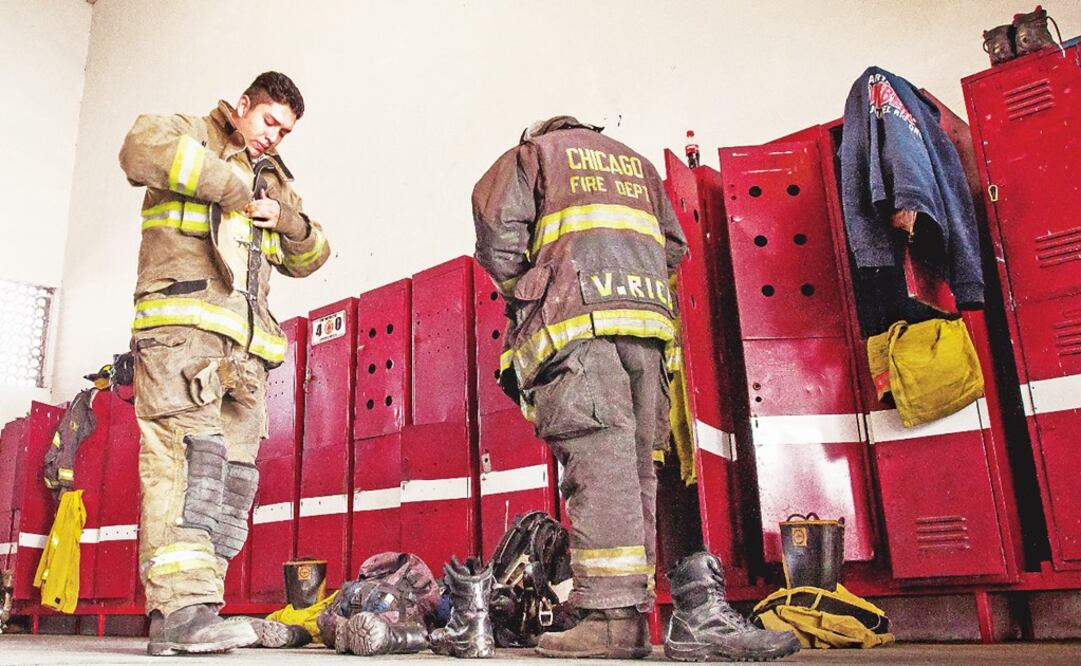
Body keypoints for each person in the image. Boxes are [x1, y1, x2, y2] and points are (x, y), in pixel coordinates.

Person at [118, 71, 330, 656]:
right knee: (186, 471)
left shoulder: (277, 182)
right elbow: (138, 147)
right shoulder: (190, 135)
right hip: (181, 336)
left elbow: (312, 255)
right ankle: (180, 609)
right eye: (269, 122)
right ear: (243, 106)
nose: (274, 139)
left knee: (227, 486)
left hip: (246, 354)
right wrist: (236, 190)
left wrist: (284, 219)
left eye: (285, 132)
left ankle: (194, 610)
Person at [472, 115, 687, 658]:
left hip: (578, 323)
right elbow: (675, 249)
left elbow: (496, 230)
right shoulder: (636, 164)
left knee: (598, 461)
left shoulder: (533, 155)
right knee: (639, 467)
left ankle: (607, 619)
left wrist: (527, 291)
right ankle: (633, 618)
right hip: (648, 329)